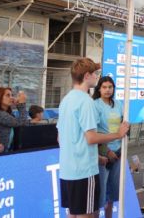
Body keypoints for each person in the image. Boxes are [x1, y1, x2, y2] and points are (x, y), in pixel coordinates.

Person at [57, 58, 129, 218]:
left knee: (73, 214)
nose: (97, 76)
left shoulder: (65, 100)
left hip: (67, 170)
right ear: (87, 76)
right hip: (84, 171)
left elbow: (60, 139)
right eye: (95, 73)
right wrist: (118, 134)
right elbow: (90, 137)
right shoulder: (86, 102)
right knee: (87, 214)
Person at [92, 76, 124, 218]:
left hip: (118, 153)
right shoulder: (95, 105)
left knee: (112, 194)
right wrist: (107, 151)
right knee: (100, 195)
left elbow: (122, 125)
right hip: (103, 154)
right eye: (104, 87)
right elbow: (93, 132)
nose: (107, 90)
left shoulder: (118, 104)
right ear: (99, 89)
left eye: (110, 87)